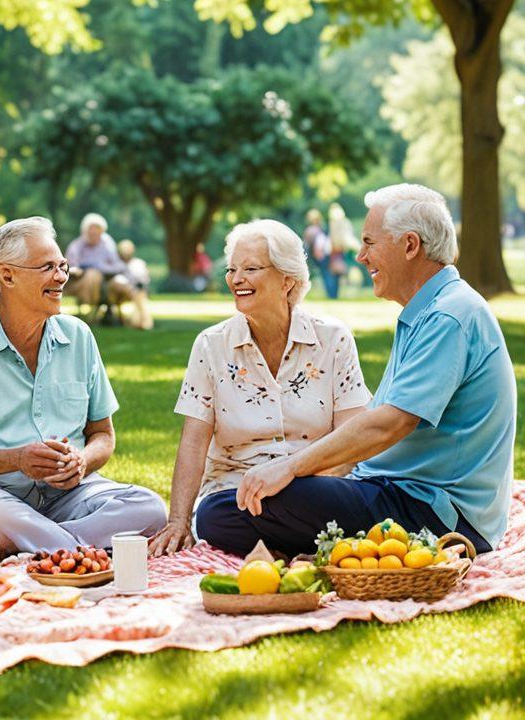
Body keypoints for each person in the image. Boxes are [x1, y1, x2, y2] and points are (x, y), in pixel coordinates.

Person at [210, 185, 516, 557]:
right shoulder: (430, 310)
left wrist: (291, 468)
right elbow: (377, 421)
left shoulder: (448, 317)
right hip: (397, 494)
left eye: (370, 243)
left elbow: (388, 424)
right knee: (230, 507)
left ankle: (327, 545)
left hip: (437, 515)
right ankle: (334, 546)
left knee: (225, 511)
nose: (360, 256)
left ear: (409, 245)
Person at [0, 216, 167, 553]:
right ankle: (72, 551)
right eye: (48, 267)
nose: (62, 277)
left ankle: (42, 549)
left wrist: (81, 462)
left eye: (63, 265)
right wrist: (17, 460)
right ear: (7, 275)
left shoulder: (78, 336)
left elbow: (103, 436)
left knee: (149, 508)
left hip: (70, 494)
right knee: (3, 517)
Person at [149, 219, 369, 557]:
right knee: (212, 517)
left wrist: (293, 482)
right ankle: (311, 546)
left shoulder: (333, 339)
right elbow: (194, 439)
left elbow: (352, 442)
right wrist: (178, 520)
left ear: (287, 280)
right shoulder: (211, 345)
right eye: (232, 269)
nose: (236, 279)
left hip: (314, 487)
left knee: (358, 506)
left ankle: (277, 547)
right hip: (237, 494)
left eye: (250, 268)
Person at [65, 213, 136, 322]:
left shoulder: (107, 244)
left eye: (97, 229)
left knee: (100, 276)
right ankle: (92, 310)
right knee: (92, 274)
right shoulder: (77, 245)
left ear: (102, 231)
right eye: (91, 229)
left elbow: (118, 266)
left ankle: (95, 313)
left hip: (106, 281)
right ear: (85, 230)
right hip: (81, 282)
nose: (94, 232)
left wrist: (101, 267)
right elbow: (69, 266)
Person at [116, 239, 153, 330]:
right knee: (140, 296)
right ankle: (145, 322)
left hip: (138, 290)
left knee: (140, 295)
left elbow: (145, 279)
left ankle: (139, 321)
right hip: (121, 291)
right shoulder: (116, 264)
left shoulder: (139, 263)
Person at [302, 209, 335, 299]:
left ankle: (331, 295)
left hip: (317, 256)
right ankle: (332, 294)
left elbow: (305, 245)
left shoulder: (310, 230)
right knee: (327, 274)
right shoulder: (322, 228)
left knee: (326, 274)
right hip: (324, 255)